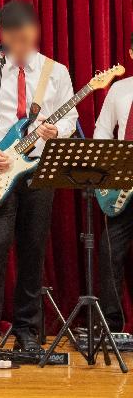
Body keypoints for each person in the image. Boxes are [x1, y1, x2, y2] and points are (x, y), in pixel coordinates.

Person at [0, 0, 77, 351]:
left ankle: (27, 330)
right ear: (4, 36)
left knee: (33, 249)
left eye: (29, 38)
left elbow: (69, 117)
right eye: (17, 39)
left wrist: (60, 130)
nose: (25, 46)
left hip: (39, 169)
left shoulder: (55, 72)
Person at [95, 34, 133, 333]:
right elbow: (102, 133)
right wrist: (108, 175)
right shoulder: (119, 90)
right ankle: (112, 327)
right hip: (122, 185)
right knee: (109, 254)